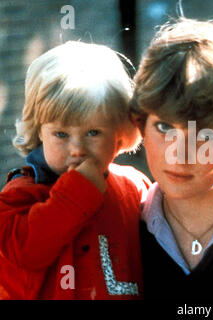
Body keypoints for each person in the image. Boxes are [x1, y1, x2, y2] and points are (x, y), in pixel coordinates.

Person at [0, 41, 151, 299]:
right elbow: (24, 253)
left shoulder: (134, 187)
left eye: (93, 132)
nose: (77, 149)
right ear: (39, 132)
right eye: (61, 134)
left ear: (118, 133)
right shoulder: (21, 193)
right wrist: (77, 193)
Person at [131, 18, 213, 299]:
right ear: (141, 124)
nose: (178, 153)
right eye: (164, 127)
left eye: (204, 133)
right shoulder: (122, 224)